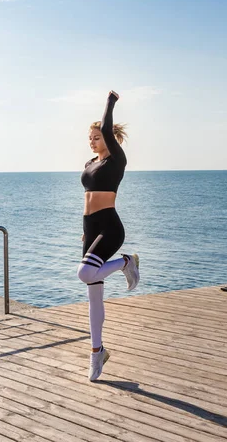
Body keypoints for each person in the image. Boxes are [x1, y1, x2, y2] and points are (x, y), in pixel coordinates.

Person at [77, 90, 139, 381]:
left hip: (110, 228)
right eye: (90, 137)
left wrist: (110, 102)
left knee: (85, 273)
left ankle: (127, 262)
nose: (93, 140)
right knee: (94, 297)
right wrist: (83, 231)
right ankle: (96, 353)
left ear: (109, 138)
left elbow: (106, 128)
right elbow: (88, 198)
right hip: (91, 229)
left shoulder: (117, 160)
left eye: (97, 136)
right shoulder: (90, 163)